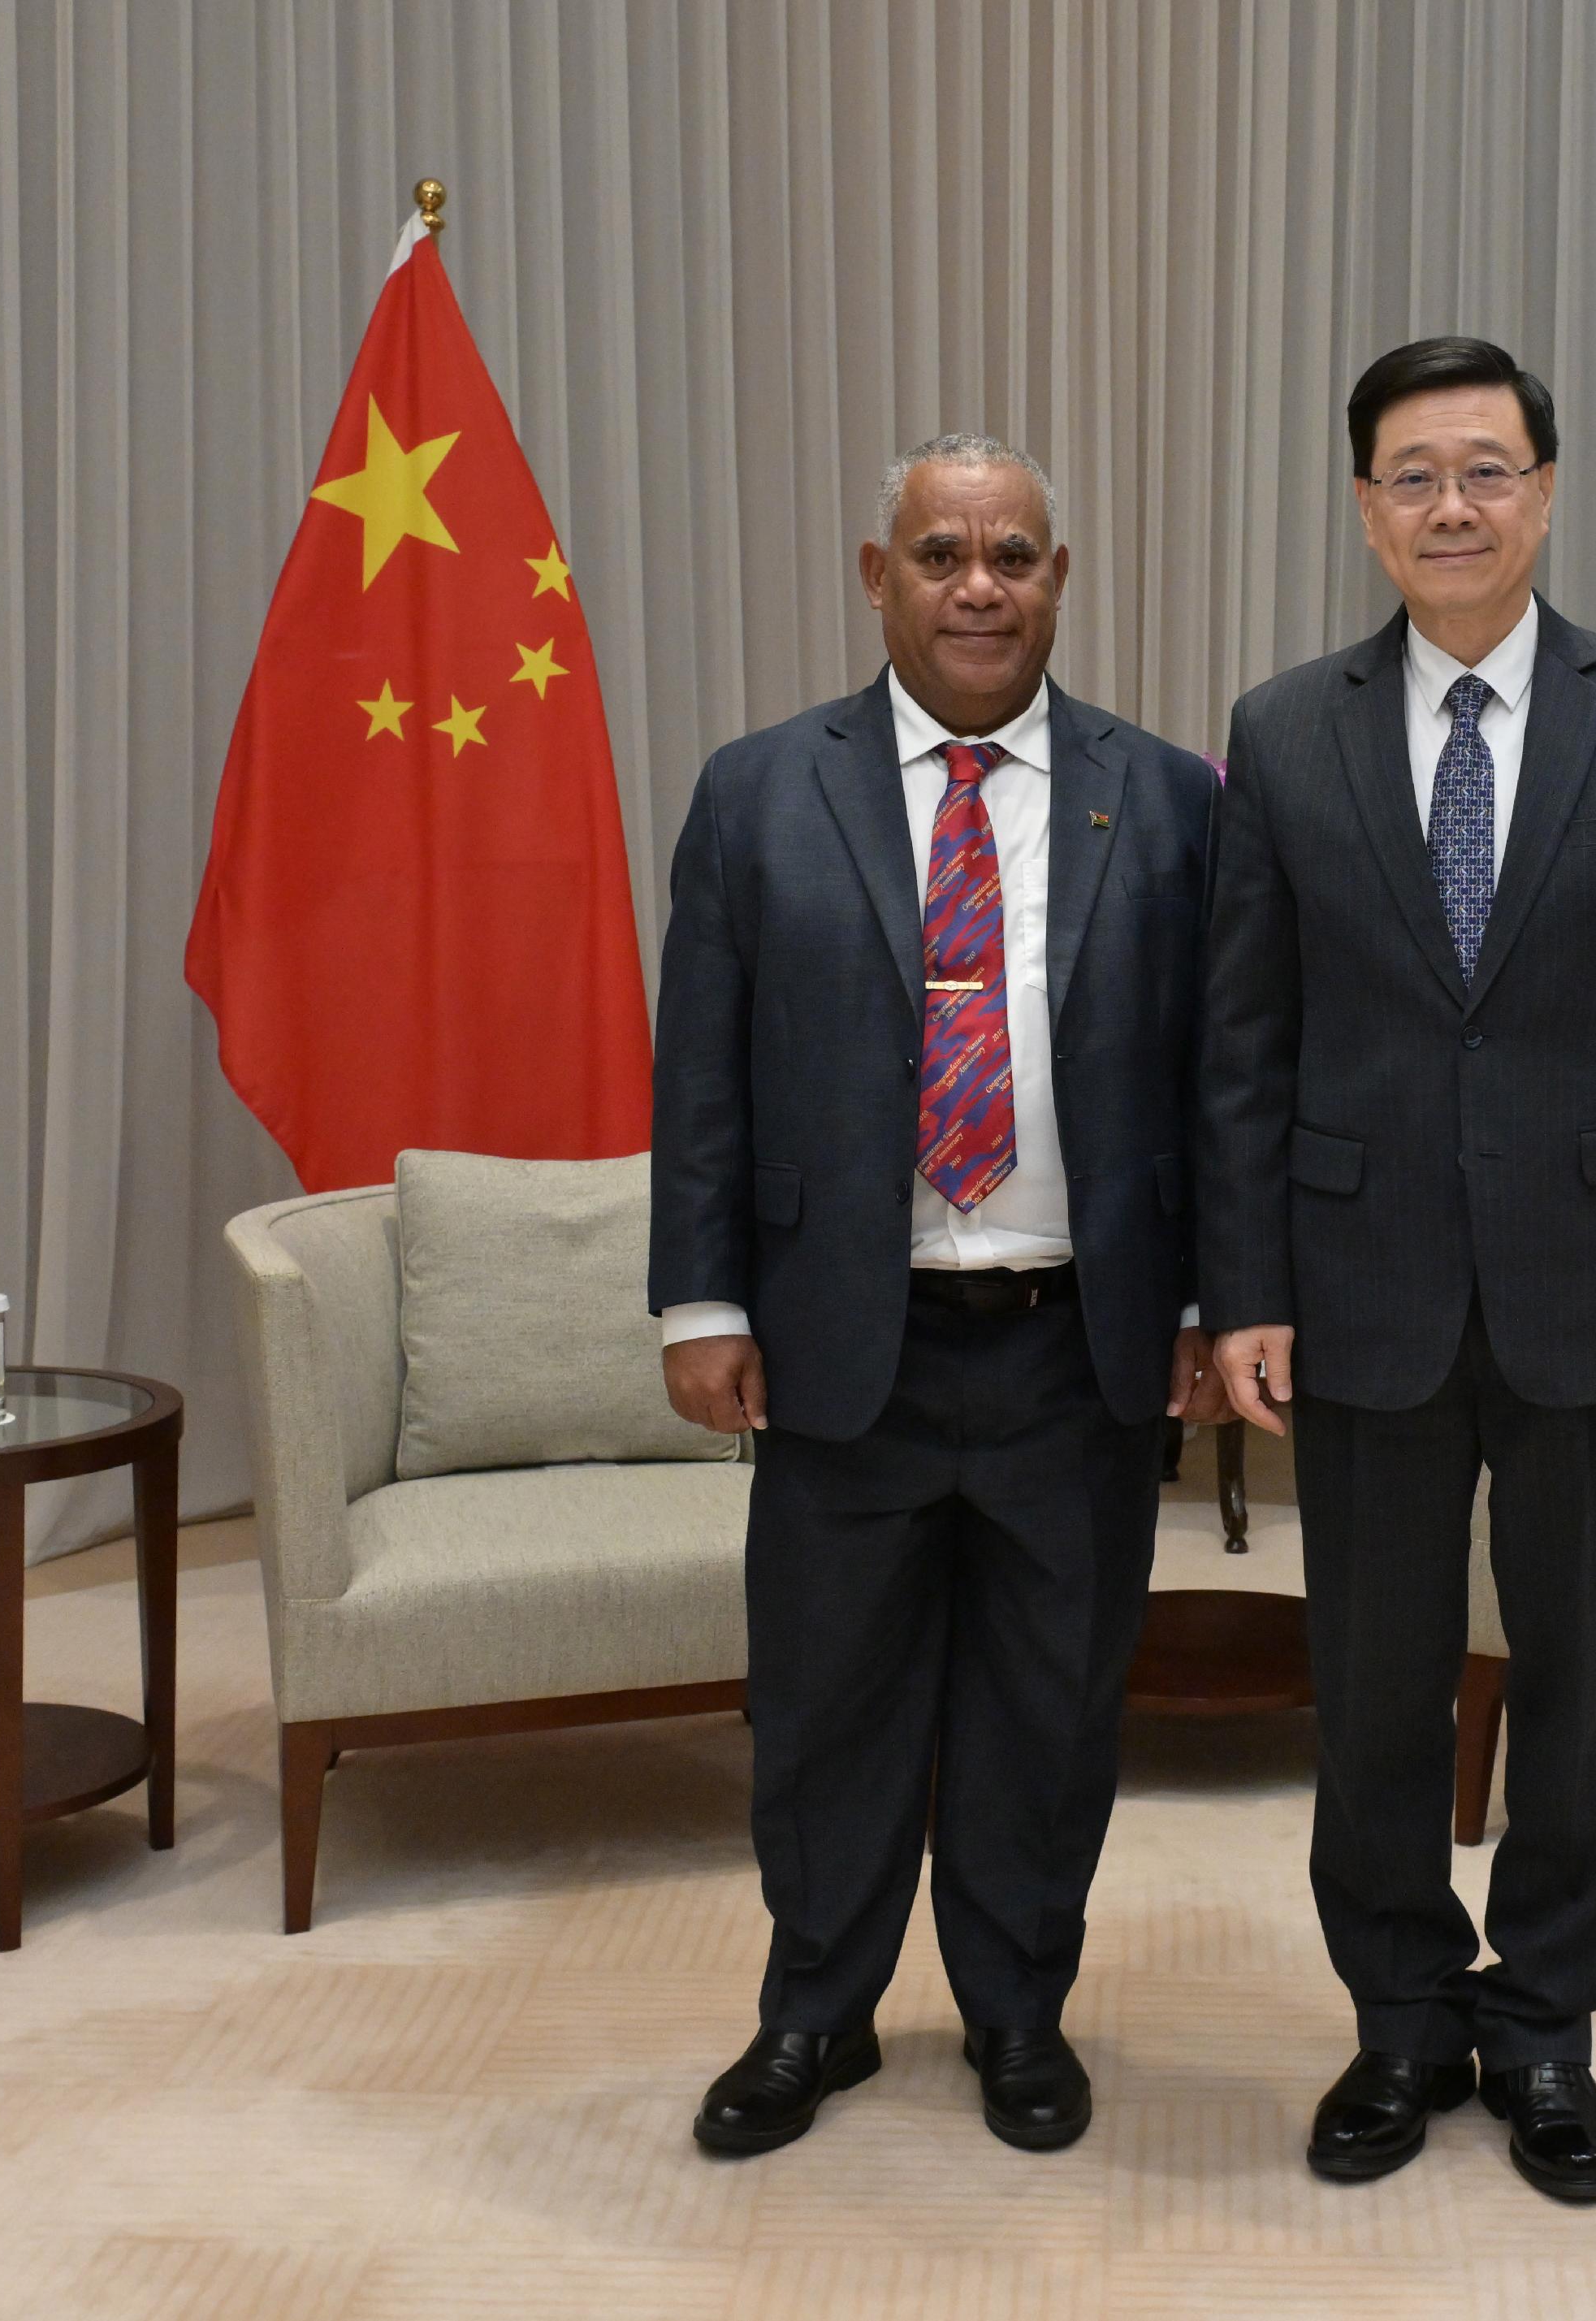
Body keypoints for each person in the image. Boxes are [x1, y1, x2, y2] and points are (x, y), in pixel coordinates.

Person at [1199, 339, 1596, 2203]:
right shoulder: (1281, 730)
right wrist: (1241, 1288)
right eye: (1410, 475)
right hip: (1354, 1286)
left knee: (1588, 1687)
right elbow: (1241, 1048)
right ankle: (1396, 2020)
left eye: (1482, 469)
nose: (1447, 505)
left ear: (1541, 490)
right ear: (1361, 509)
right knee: (1369, 1688)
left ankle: (1543, 2030)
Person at [651, 433, 1225, 2158]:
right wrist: (700, 1302)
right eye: (941, 553)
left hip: (1078, 1349)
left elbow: (1221, 1078)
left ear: (1060, 578)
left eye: (1013, 556)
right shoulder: (758, 791)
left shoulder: (1171, 799)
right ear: (876, 575)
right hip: (845, 1344)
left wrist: (1210, 1299)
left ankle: (1015, 2013)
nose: (979, 586)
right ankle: (812, 2015)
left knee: (1047, 1711)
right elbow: (702, 1074)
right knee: (826, 1706)